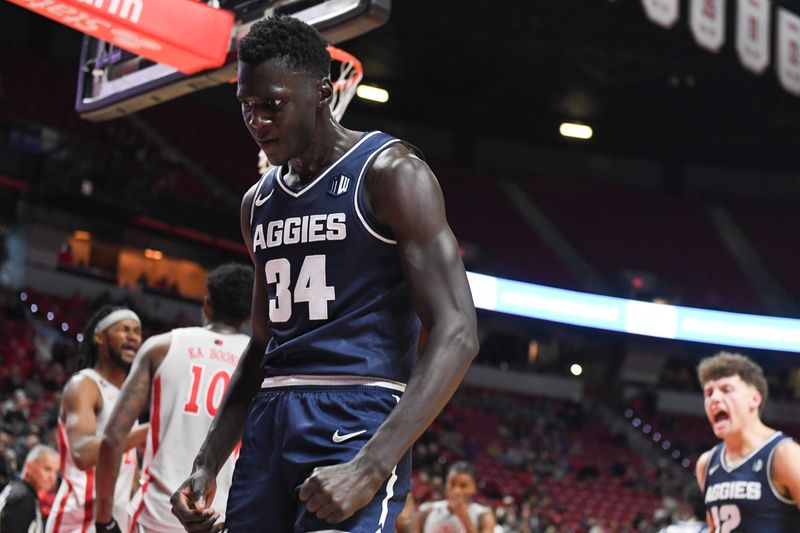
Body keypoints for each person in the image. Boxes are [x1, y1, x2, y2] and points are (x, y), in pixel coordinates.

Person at [170, 15, 479, 533]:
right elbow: (261, 345)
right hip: (270, 416)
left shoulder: (391, 174)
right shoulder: (257, 204)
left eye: (273, 105)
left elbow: (458, 332)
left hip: (357, 411)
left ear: (322, 93)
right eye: (247, 106)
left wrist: (371, 466)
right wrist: (206, 464)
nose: (258, 122)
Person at [94, 264, 254, 533]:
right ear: (250, 314)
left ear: (207, 305)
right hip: (218, 516)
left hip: (156, 513)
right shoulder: (257, 362)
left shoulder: (161, 347)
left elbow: (112, 439)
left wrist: (103, 520)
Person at [45, 306, 149, 533]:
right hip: (79, 519)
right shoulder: (84, 385)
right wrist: (151, 429)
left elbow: (127, 465)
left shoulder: (127, 396)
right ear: (99, 337)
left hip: (116, 520)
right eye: (123, 330)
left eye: (137, 331)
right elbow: (83, 455)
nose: (132, 336)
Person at [695, 352, 800, 532]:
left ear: (754, 399)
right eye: (709, 392)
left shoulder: (784, 454)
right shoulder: (706, 463)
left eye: (726, 390)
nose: (714, 399)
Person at [418, 462, 495, 533]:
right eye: (452, 484)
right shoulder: (427, 510)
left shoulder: (483, 515)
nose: (456, 491)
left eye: (463, 486)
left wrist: (464, 518)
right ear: (445, 484)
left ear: (474, 488)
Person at [0, 444, 59, 533]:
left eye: (56, 472)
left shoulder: (21, 491)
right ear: (29, 467)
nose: (52, 478)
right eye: (47, 469)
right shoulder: (23, 498)